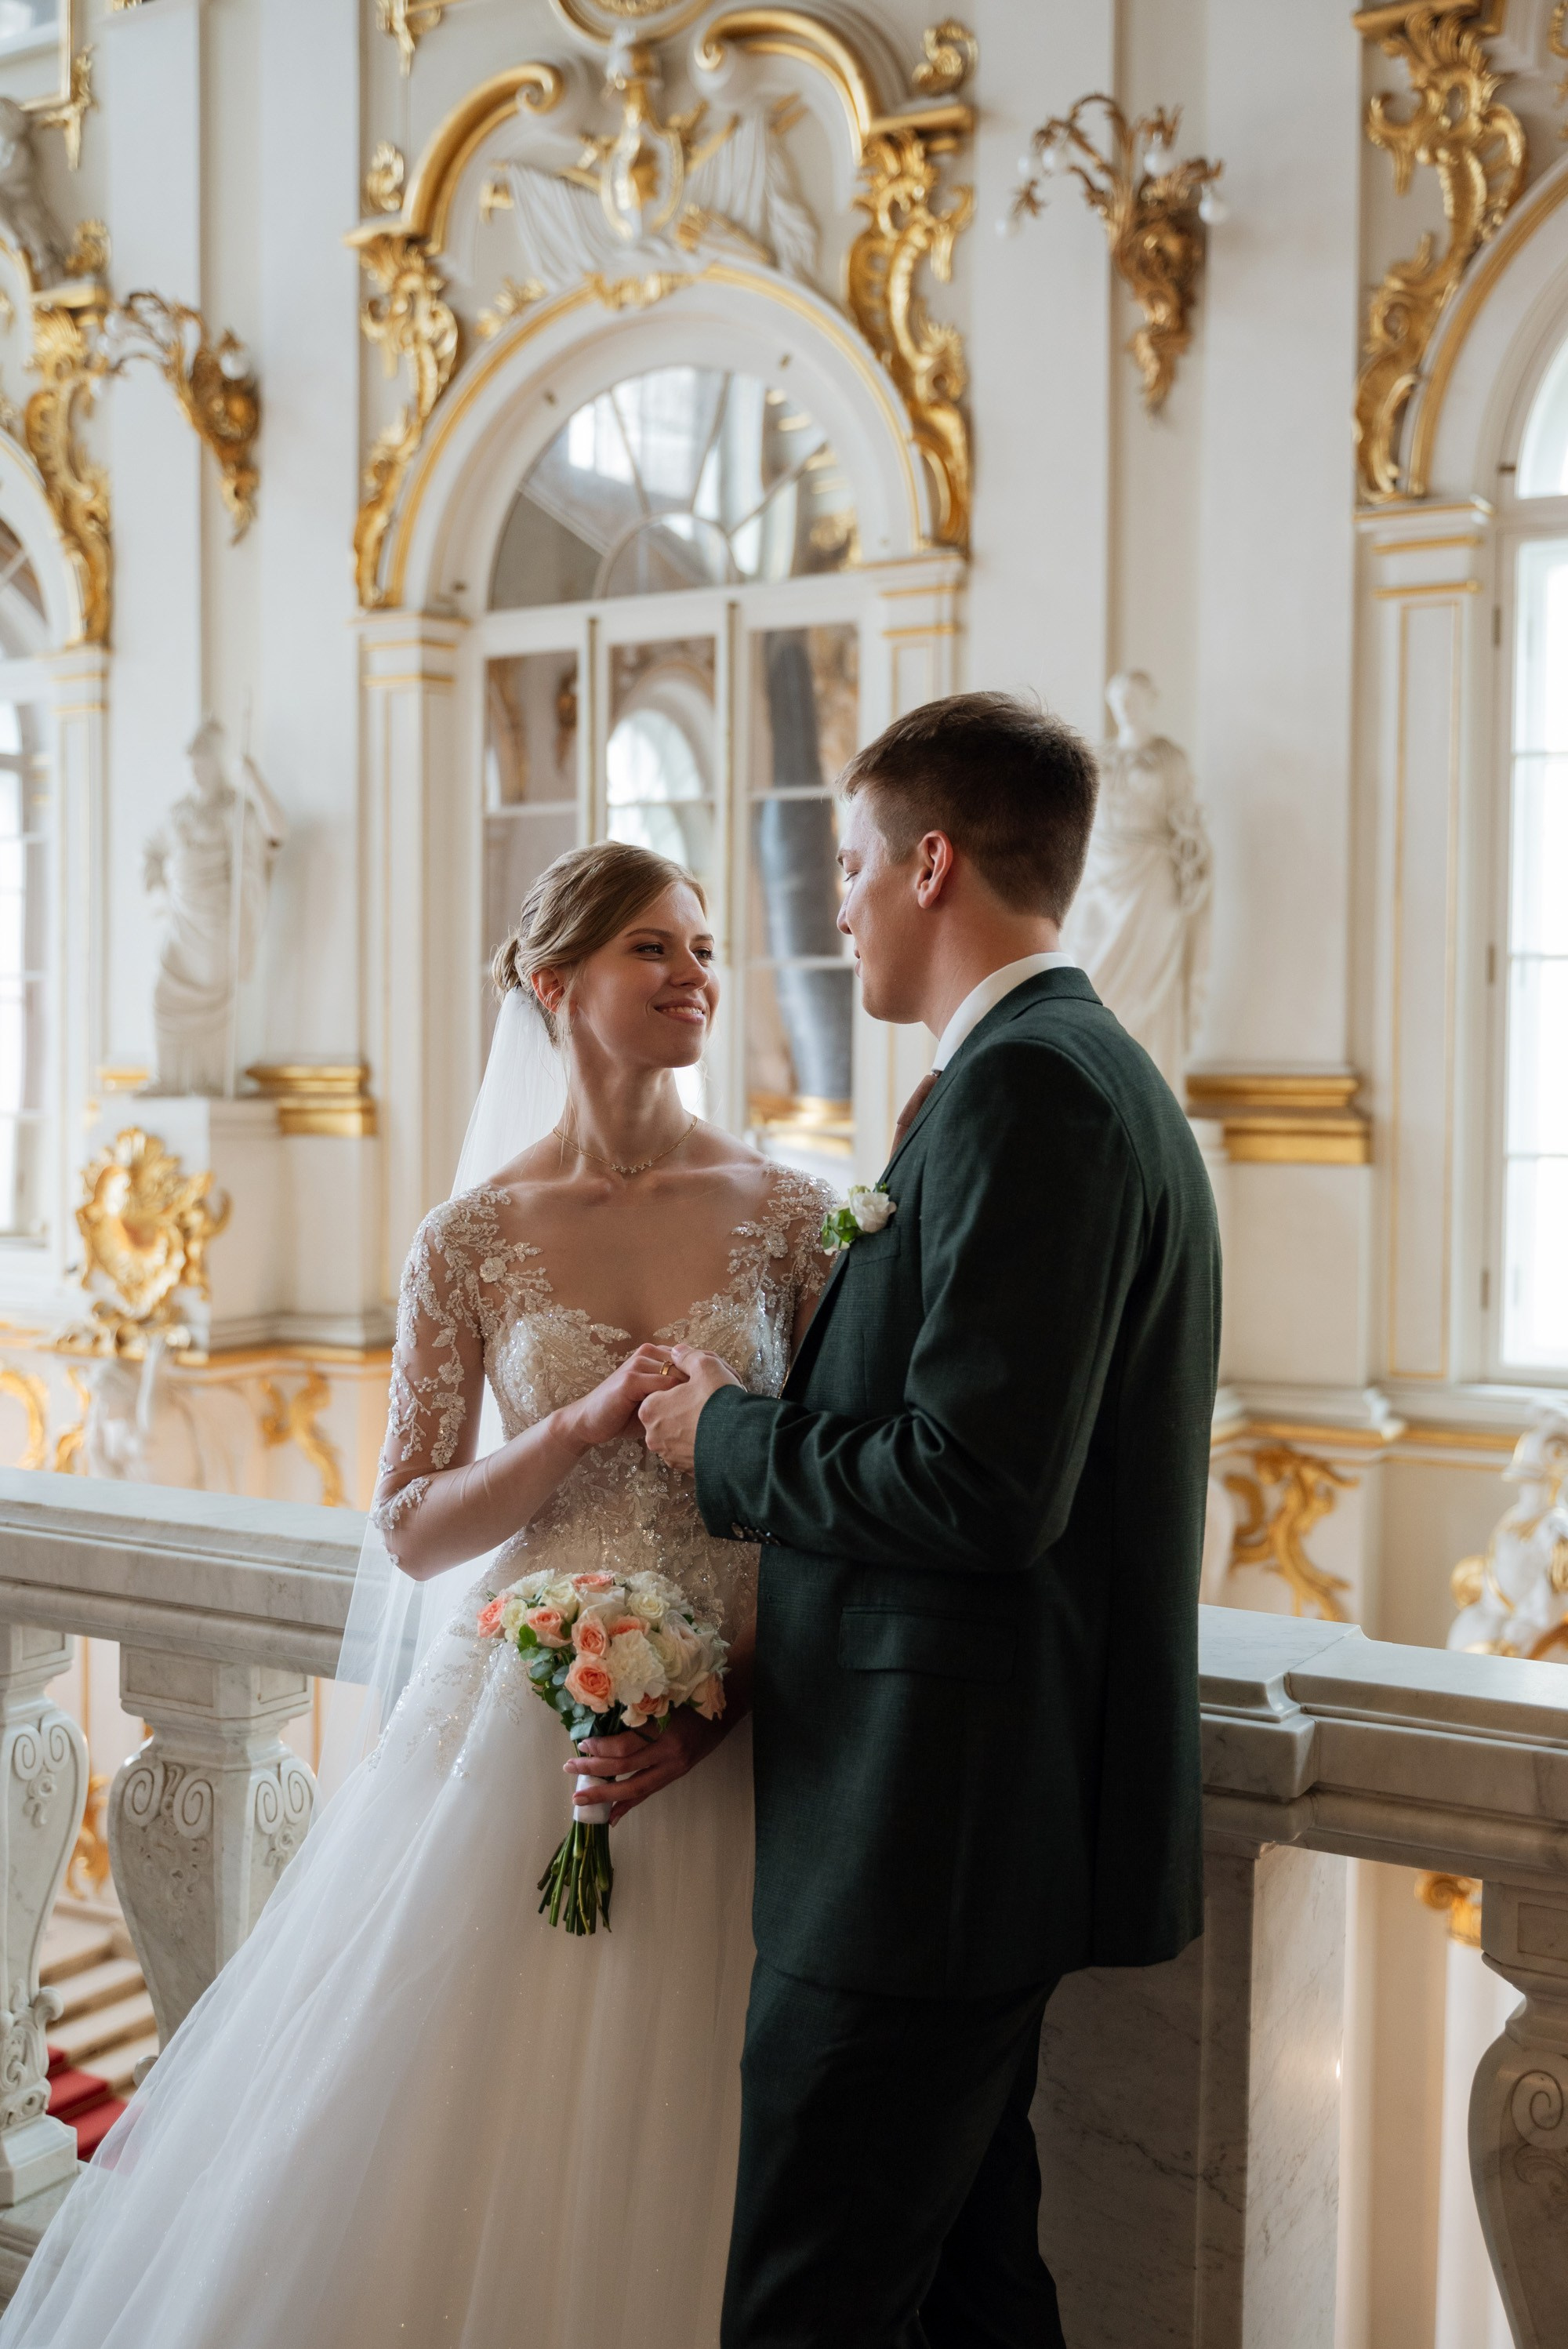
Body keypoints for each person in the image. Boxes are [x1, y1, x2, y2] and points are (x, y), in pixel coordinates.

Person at [0, 840, 837, 2349]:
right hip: (516, 1737)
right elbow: (410, 1525)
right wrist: (577, 1431)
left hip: (739, 1734)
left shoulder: (792, 1219)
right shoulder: (471, 1240)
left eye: (705, 949)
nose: (695, 975)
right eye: (653, 948)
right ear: (550, 981)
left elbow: (827, 1507)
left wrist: (726, 1700)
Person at [640, 690, 1222, 2349]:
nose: (830, 901)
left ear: (931, 862)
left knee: (806, 2309)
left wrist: (719, 1436)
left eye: (844, 863)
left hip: (924, 1839)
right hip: (953, 1825)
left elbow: (979, 1484)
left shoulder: (1033, 1094)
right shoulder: (1049, 1077)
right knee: (973, 2294)